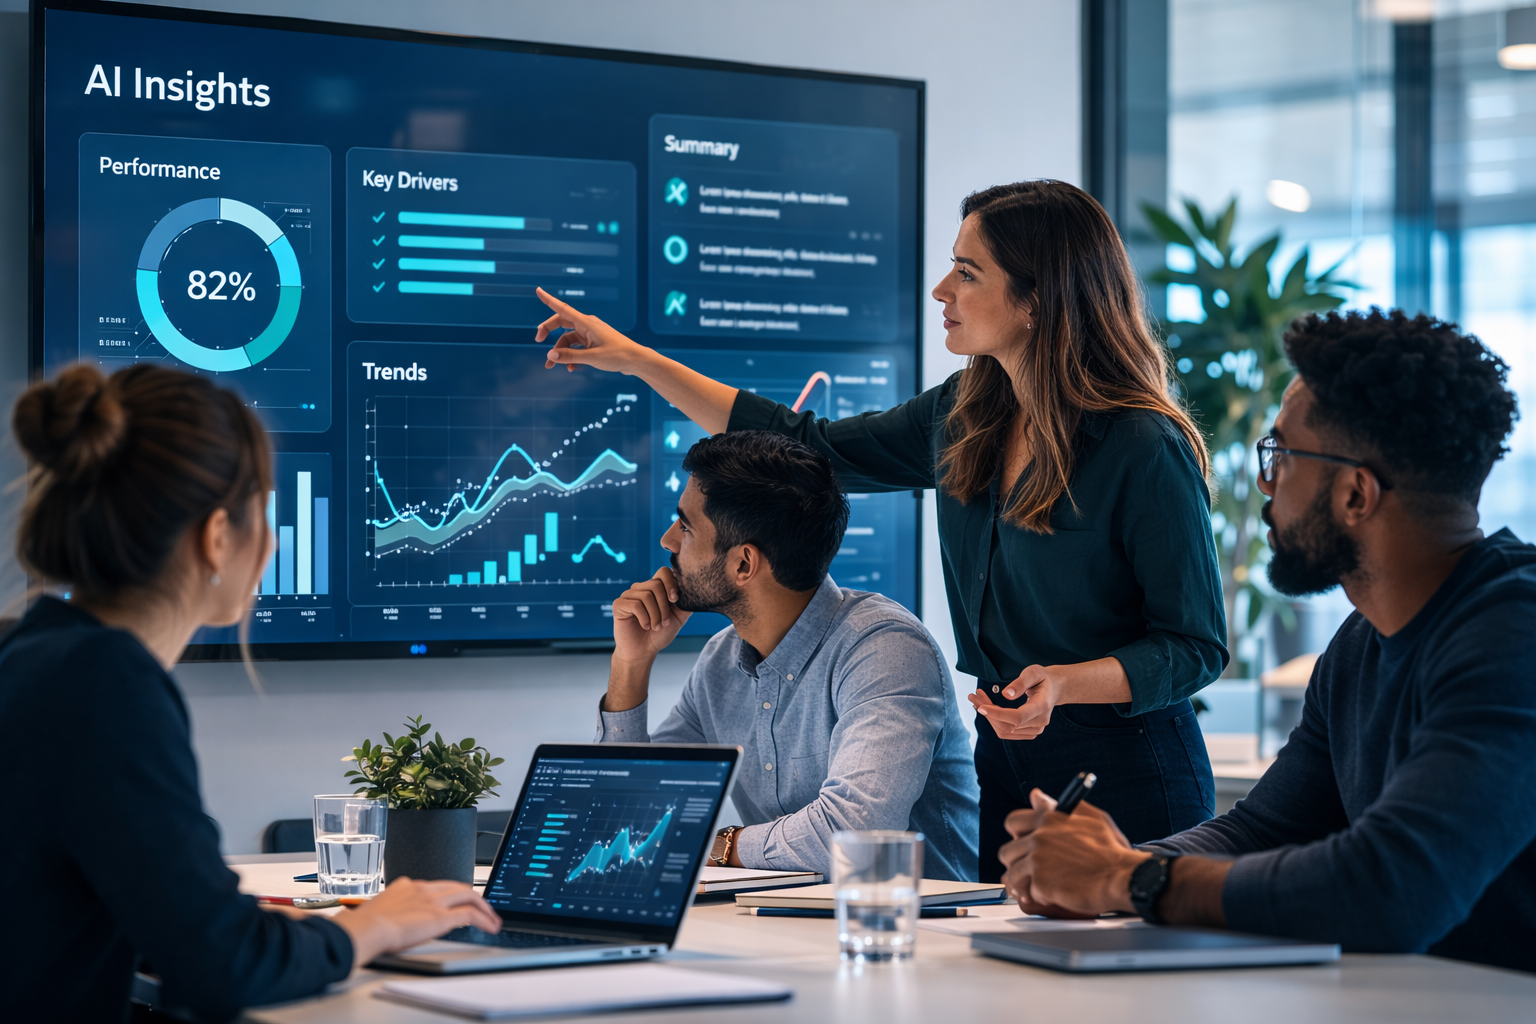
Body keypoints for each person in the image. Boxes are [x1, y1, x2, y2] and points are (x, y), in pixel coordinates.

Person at [536, 179, 1227, 879]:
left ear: (1037, 299)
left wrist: (1064, 684)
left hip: (1128, 766)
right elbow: (808, 445)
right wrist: (637, 360)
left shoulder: (1143, 446)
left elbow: (1195, 646)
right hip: (1009, 755)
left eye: (967, 273)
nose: (941, 290)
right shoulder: (963, 414)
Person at [993, 309, 1536, 974]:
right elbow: (1263, 830)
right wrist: (1099, 867)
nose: (1263, 482)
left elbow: (1393, 888)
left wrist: (1126, 879)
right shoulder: (1362, 642)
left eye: (1281, 455)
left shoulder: (1514, 637)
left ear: (1356, 495)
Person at [0, 365, 503, 1023]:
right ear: (215, 537)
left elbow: (150, 911)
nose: (269, 545)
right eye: (264, 513)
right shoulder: (104, 681)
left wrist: (258, 926)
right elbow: (224, 964)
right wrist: (373, 926)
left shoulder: (29, 650)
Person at [593, 430, 979, 880]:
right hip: (776, 915)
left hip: (911, 919)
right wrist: (631, 664)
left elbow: (854, 834)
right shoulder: (720, 662)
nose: (668, 541)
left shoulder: (885, 650)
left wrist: (717, 846)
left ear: (743, 564)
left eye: (686, 527)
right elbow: (627, 823)